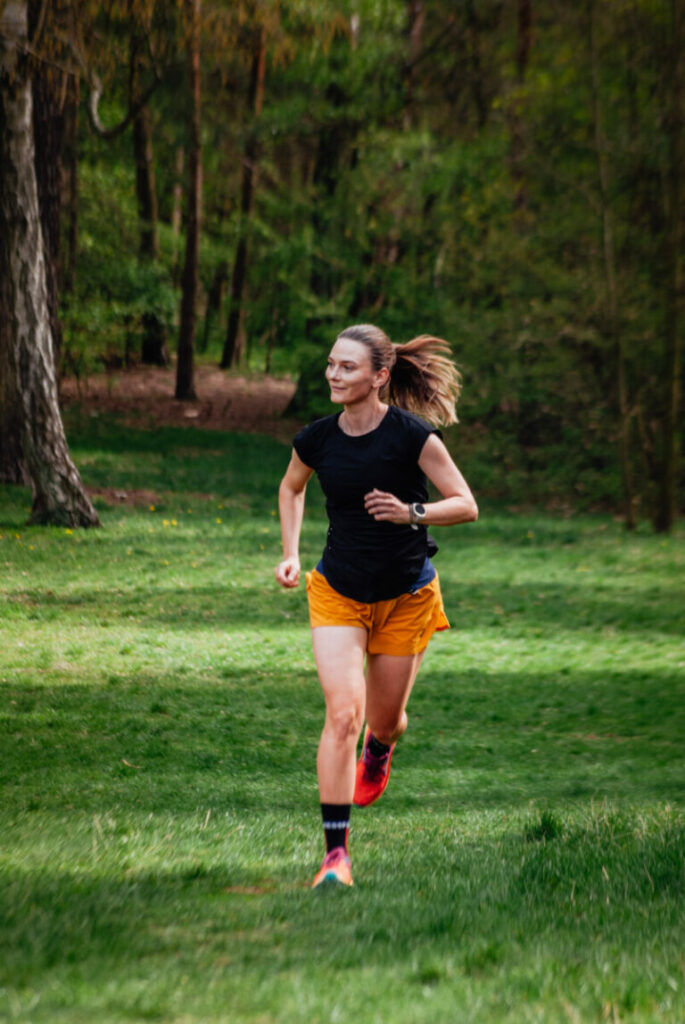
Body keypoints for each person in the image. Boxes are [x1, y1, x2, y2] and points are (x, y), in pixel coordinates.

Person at [274, 323, 478, 888]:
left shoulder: (413, 436)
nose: (333, 375)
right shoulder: (316, 439)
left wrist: (412, 512)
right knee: (342, 715)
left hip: (407, 595)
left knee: (384, 721)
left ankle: (381, 747)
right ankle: (334, 856)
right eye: (331, 365)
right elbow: (293, 488)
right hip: (338, 589)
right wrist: (291, 554)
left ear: (379, 376)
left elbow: (466, 504)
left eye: (347, 367)